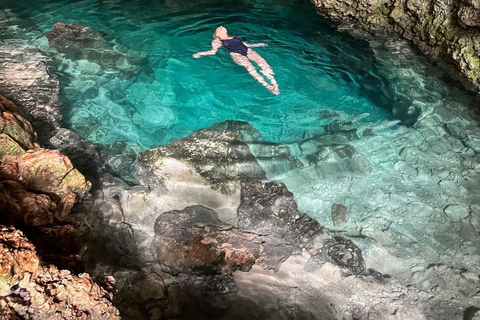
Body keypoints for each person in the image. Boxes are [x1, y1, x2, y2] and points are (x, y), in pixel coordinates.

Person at [193, 26, 279, 95]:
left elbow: (245, 44)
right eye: (218, 28)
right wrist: (200, 54)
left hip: (248, 51)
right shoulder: (217, 41)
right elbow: (213, 52)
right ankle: (267, 86)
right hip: (236, 55)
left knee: (263, 64)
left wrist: (258, 44)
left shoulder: (234, 37)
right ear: (217, 34)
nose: (221, 26)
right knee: (251, 68)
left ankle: (274, 82)